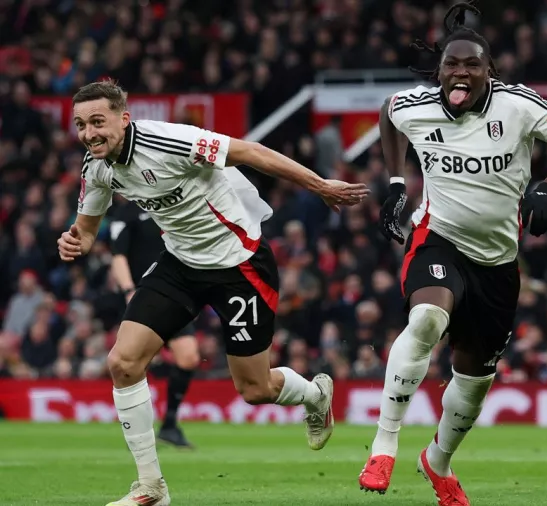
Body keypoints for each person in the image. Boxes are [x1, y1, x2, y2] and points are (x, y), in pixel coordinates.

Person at [58, 80, 369, 506]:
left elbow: (252, 152)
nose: (89, 133)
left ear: (123, 118)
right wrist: (75, 241)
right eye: (80, 125)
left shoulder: (168, 139)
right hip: (180, 265)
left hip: (239, 264)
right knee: (123, 362)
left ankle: (315, 395)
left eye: (98, 121)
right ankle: (151, 488)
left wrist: (319, 185)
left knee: (255, 389)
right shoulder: (96, 170)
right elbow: (88, 230)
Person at [357, 2, 547, 505]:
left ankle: (438, 462)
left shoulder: (519, 106)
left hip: (498, 261)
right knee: (426, 318)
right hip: (438, 236)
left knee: (473, 379)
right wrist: (398, 182)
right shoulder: (415, 106)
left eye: (471, 65)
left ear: (490, 71)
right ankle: (384, 445)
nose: (460, 73)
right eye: (451, 64)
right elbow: (387, 114)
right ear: (439, 69)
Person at [110, 202, 200, 448]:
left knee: (189, 357)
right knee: (136, 364)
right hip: (143, 298)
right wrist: (129, 290)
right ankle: (136, 429)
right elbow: (118, 254)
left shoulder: (170, 204)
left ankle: (169, 425)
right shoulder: (127, 211)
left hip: (174, 295)